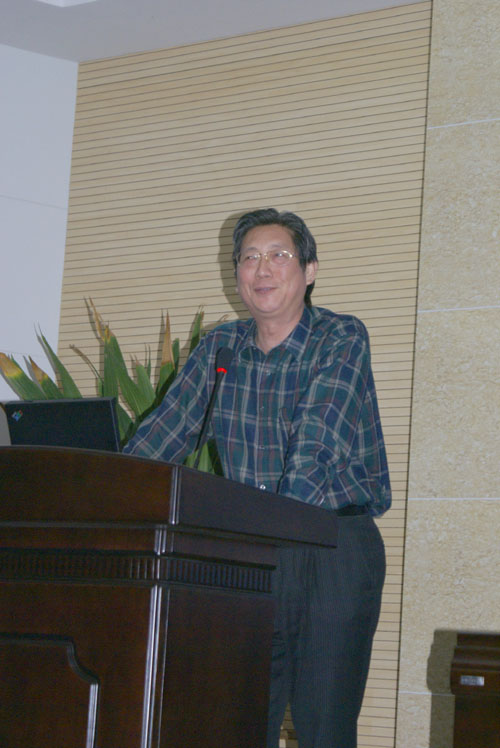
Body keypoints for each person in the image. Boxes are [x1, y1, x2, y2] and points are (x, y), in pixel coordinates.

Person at [123, 208, 391, 748]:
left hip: (332, 548)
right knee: (240, 723)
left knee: (323, 729)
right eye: (249, 257)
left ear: (309, 271)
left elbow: (317, 443)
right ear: (237, 275)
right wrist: (106, 494)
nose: (262, 268)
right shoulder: (220, 349)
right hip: (256, 556)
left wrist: (267, 528)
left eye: (278, 255)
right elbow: (160, 437)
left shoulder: (340, 337)